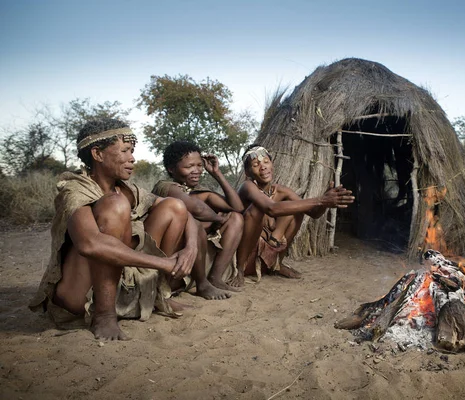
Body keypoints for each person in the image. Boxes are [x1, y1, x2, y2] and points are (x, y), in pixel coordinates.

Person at [29, 118, 199, 341]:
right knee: (116, 205)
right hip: (77, 296)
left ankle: (156, 294)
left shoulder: (127, 189)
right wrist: (165, 263)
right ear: (97, 154)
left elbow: (184, 212)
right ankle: (104, 315)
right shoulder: (74, 189)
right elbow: (90, 243)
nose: (132, 158)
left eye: (132, 151)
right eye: (125, 151)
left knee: (173, 206)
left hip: (119, 285)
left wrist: (191, 249)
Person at [235, 145, 355, 284]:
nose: (263, 167)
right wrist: (321, 200)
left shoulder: (280, 191)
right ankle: (238, 269)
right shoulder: (247, 187)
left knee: (297, 209)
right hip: (246, 258)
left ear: (272, 164)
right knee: (258, 210)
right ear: (247, 172)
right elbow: (272, 208)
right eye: (256, 165)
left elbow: (314, 213)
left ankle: (277, 264)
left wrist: (325, 203)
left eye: (266, 162)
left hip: (265, 255)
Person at [152, 141, 244, 299]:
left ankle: (215, 277)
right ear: (171, 169)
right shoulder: (166, 187)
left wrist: (217, 173)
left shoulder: (199, 191)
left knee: (236, 218)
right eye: (189, 167)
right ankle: (201, 284)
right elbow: (196, 209)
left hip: (199, 254)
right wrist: (218, 220)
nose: (196, 171)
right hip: (174, 253)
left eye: (199, 165)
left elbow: (237, 207)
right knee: (195, 224)